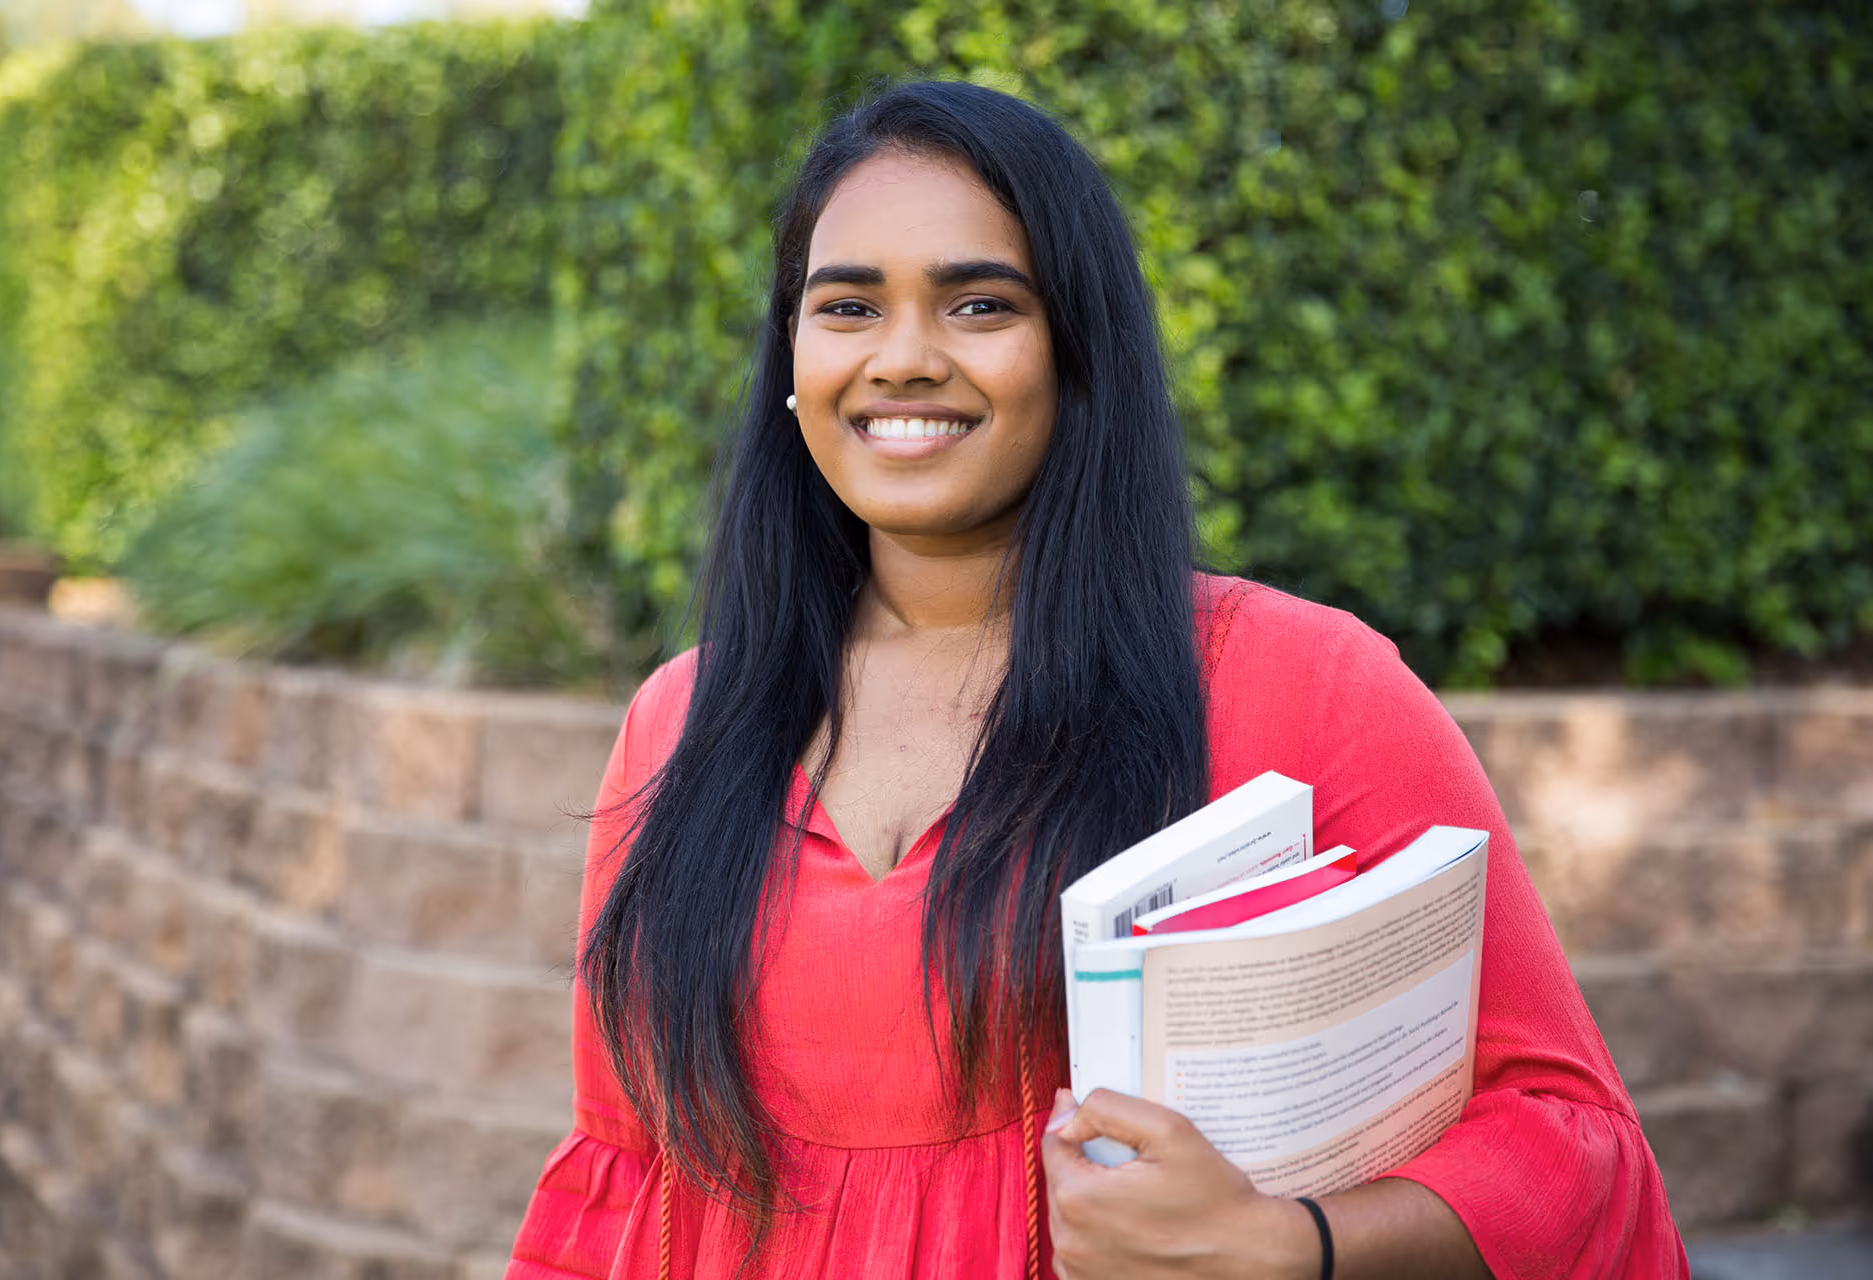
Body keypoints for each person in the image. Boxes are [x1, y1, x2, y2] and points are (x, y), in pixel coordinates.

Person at [506, 81, 1687, 1280]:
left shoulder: (1300, 685)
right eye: (848, 305)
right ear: (794, 362)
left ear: (1078, 350)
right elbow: (620, 1175)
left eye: (978, 304)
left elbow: (1572, 1141)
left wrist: (1292, 1243)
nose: (904, 359)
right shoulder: (681, 722)